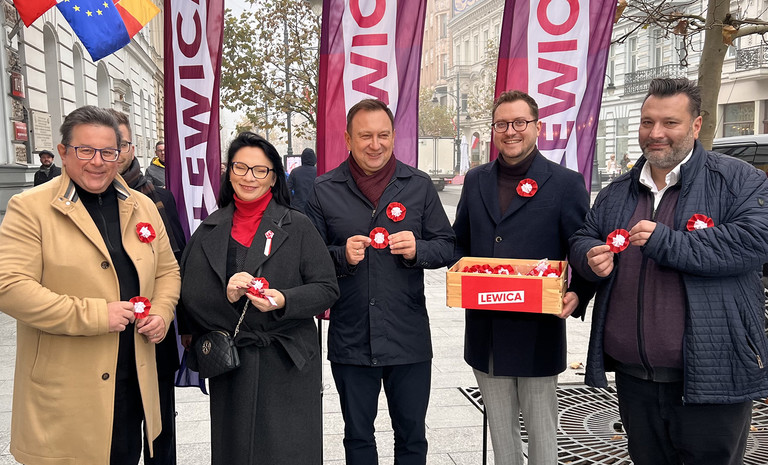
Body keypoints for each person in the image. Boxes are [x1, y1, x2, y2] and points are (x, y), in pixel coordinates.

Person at [569, 78, 768, 465]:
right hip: (634, 377)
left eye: (670, 122)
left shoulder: (739, 179)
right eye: (647, 122)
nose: (655, 133)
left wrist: (666, 241)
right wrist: (588, 256)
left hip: (713, 375)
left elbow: (755, 240)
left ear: (696, 125)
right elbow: (583, 236)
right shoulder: (617, 191)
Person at [0, 105, 180, 464]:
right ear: (63, 151)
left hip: (132, 380)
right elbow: (10, 287)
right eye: (85, 150)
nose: (97, 162)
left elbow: (167, 271)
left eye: (108, 152)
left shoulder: (142, 206)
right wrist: (97, 315)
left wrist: (161, 312)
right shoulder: (30, 208)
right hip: (68, 390)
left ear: (120, 154)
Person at [306, 98, 455, 465]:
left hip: (407, 337)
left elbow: (447, 246)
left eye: (383, 135)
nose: (375, 144)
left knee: (412, 438)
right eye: (365, 136)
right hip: (351, 337)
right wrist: (341, 256)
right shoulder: (324, 189)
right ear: (348, 139)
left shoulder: (418, 185)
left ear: (393, 136)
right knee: (358, 437)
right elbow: (306, 259)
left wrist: (418, 249)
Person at [177, 132, 339, 464]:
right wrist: (226, 294)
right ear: (229, 172)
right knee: (236, 451)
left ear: (274, 177)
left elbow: (327, 288)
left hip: (288, 360)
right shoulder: (209, 229)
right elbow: (189, 295)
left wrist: (284, 299)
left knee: (289, 451)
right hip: (232, 361)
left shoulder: (298, 226)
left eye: (260, 170)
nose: (249, 177)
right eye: (240, 167)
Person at [452, 90, 593, 465]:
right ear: (493, 130)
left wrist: (580, 292)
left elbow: (581, 245)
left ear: (538, 127)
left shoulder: (565, 183)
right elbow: (459, 241)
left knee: (543, 436)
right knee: (502, 440)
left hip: (537, 333)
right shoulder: (476, 180)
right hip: (487, 332)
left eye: (519, 122)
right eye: (501, 124)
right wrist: (435, 254)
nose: (510, 131)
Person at [110, 109, 186, 465]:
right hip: (104, 340)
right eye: (103, 146)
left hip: (153, 334)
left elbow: (176, 263)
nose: (112, 154)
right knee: (115, 434)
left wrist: (177, 320)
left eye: (120, 144)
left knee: (160, 429)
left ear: (131, 147)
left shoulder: (158, 198)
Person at [287, 147, 317, 213]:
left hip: (298, 207)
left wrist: (292, 202)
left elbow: (288, 189)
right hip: (315, 207)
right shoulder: (319, 171)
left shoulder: (295, 172)